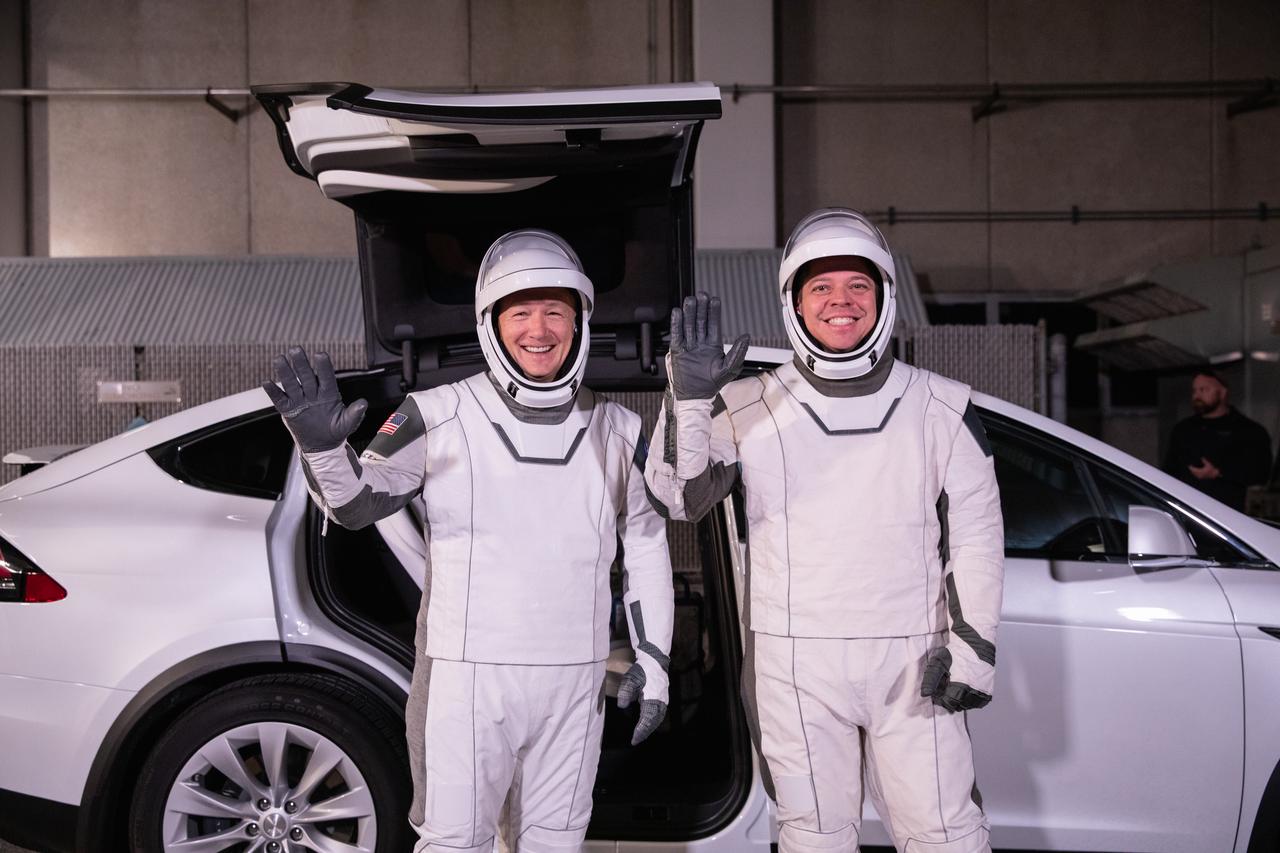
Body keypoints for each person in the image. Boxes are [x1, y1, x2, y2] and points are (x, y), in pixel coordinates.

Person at [264, 229, 673, 853]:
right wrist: (322, 448)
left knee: (557, 842)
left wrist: (656, 661)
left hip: (577, 679)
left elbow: (646, 545)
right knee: (456, 843)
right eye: (520, 312)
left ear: (580, 320)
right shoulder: (435, 414)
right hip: (466, 679)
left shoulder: (620, 430)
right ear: (491, 321)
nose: (538, 330)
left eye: (555, 312)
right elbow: (355, 505)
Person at [645, 208, 1003, 853]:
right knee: (813, 837)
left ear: (885, 296)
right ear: (795, 302)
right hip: (793, 661)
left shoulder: (943, 406)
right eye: (822, 289)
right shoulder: (748, 404)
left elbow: (977, 536)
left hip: (915, 657)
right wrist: (688, 400)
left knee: (946, 835)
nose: (841, 303)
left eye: (858, 287)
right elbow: (680, 499)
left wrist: (974, 649)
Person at [1162, 369, 1273, 512]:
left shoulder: (1249, 431)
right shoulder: (1183, 430)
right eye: (1194, 390)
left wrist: (1219, 473)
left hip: (1228, 518)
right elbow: (1169, 473)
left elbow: (1261, 473)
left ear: (1222, 392)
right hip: (1187, 514)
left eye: (1204, 389)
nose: (1197, 395)